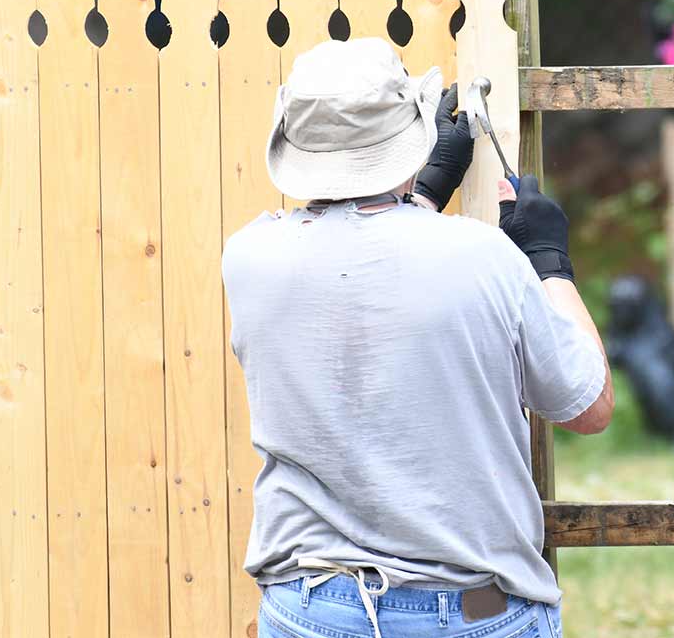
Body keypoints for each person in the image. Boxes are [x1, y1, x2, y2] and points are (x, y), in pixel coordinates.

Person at [222, 38, 613, 638]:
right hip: (468, 613)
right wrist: (549, 262)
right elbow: (587, 406)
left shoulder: (250, 257)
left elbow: (359, 261)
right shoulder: (482, 257)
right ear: (411, 133)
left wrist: (420, 194)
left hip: (312, 609)